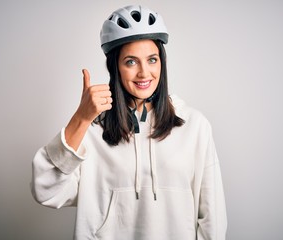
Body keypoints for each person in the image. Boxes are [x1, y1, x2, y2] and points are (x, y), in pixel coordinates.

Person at [31, 5, 227, 240]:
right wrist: (81, 118)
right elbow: (45, 190)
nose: (144, 73)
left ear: (161, 62)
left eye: (152, 60)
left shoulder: (194, 125)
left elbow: (212, 218)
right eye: (131, 62)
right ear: (115, 67)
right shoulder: (92, 129)